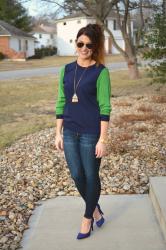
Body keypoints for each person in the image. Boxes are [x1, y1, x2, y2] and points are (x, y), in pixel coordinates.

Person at [55, 23, 111, 240]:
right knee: (77, 175)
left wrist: (102, 139)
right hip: (69, 130)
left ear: (95, 47)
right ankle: (96, 209)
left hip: (90, 133)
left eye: (89, 45)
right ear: (76, 43)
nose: (84, 48)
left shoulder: (100, 72)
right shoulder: (66, 70)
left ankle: (88, 217)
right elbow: (61, 101)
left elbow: (105, 108)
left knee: (90, 176)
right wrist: (57, 133)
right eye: (80, 43)